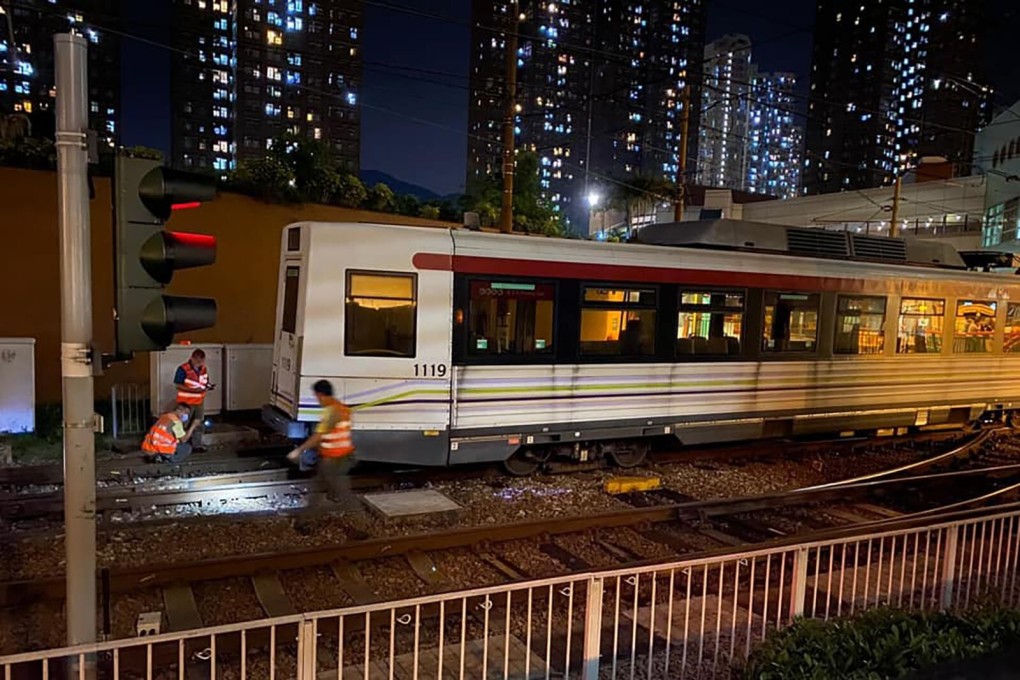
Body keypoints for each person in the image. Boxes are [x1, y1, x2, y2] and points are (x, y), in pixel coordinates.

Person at [287, 380, 359, 512]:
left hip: (336, 459)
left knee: (342, 495)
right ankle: (305, 522)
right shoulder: (341, 407)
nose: (317, 400)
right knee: (317, 490)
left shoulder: (331, 412)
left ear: (321, 395)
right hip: (338, 458)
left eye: (317, 396)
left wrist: (299, 450)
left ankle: (362, 524)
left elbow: (318, 436)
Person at [174, 349, 213, 452]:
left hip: (199, 401)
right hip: (186, 403)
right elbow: (178, 385)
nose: (199, 363)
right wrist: (193, 390)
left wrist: (207, 386)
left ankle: (197, 445)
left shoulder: (203, 369)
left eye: (201, 361)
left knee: (198, 423)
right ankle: (178, 445)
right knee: (183, 424)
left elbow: (204, 382)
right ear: (192, 358)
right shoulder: (183, 369)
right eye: (198, 361)